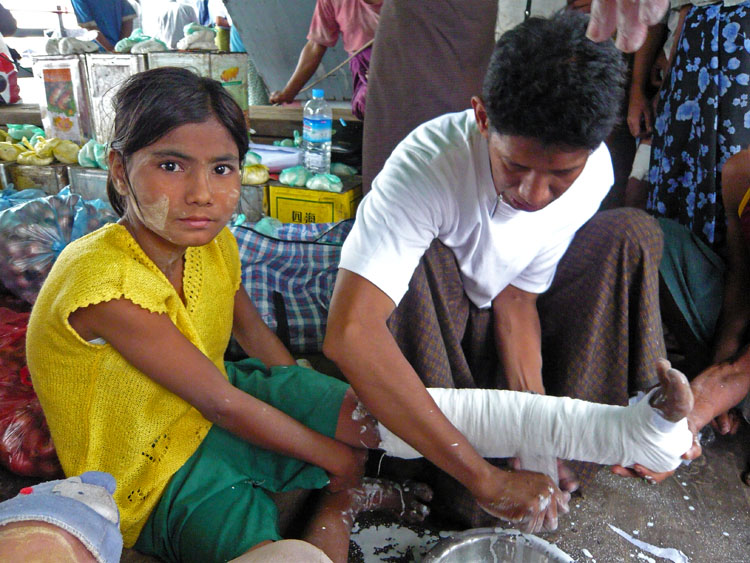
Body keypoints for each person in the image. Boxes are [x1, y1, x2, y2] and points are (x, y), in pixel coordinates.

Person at [25, 67, 430, 563]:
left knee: (366, 415)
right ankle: (342, 501)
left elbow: (252, 332)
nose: (202, 193)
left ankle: (340, 482)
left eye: (222, 168)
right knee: (288, 522)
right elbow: (222, 405)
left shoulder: (212, 244)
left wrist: (307, 399)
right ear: (118, 169)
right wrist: (336, 461)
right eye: (171, 166)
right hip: (149, 467)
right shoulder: (103, 283)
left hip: (215, 394)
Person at [325, 10, 672, 529]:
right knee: (424, 261)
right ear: (482, 117)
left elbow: (518, 298)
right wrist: (482, 476)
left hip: (501, 326)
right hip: (438, 346)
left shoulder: (595, 170)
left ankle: (584, 448)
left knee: (633, 233)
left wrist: (536, 433)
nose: (534, 195)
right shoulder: (425, 165)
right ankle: (444, 469)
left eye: (559, 175)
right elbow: (349, 333)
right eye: (515, 165)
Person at [268, 0, 381, 120]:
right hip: (366, 71)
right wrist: (289, 91)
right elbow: (316, 45)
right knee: (367, 102)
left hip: (398, 66)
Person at [70, 0, 136, 52]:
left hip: (97, 50)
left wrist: (116, 49)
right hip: (98, 48)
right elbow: (90, 27)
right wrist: (120, 48)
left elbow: (90, 26)